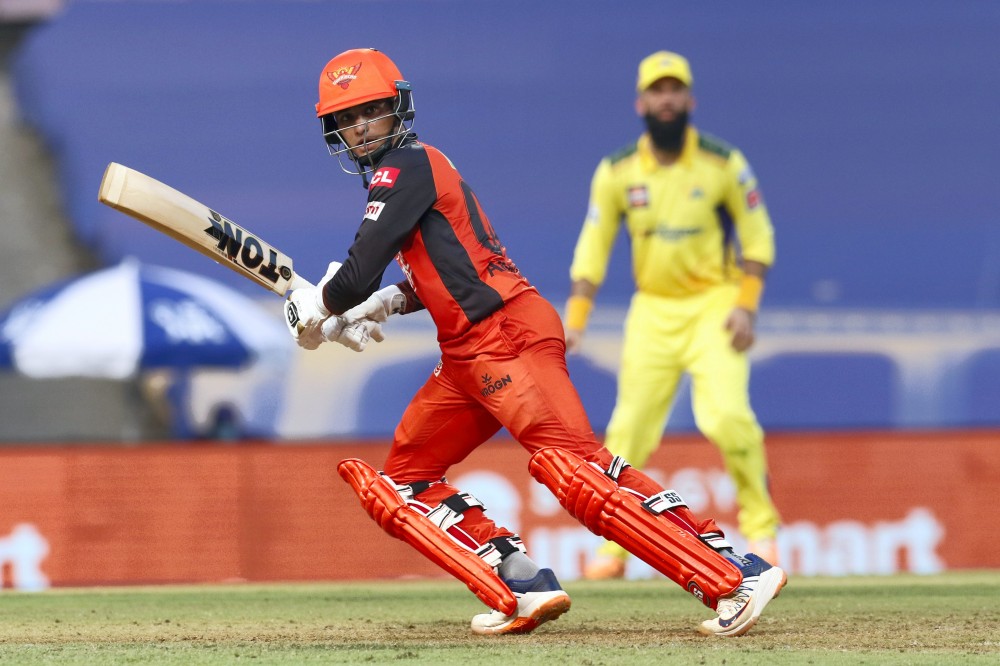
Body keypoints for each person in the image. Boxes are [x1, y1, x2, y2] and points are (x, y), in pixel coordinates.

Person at [286, 47, 786, 637]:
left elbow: (357, 267)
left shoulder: (406, 167)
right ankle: (522, 583)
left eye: (369, 111)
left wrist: (319, 304)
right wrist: (388, 300)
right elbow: (450, 264)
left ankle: (734, 573)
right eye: (346, 118)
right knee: (403, 480)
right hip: (467, 352)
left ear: (398, 109)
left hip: (507, 335)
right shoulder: (404, 175)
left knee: (575, 471)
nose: (359, 127)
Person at [563, 51, 782, 580]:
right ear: (641, 102)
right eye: (656, 91)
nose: (666, 99)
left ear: (690, 99)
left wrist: (745, 307)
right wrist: (576, 317)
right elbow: (594, 244)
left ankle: (763, 532)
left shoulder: (722, 162)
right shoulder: (617, 171)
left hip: (714, 306)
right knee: (627, 433)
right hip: (653, 311)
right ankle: (613, 551)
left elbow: (758, 239)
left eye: (675, 90)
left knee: (728, 420)